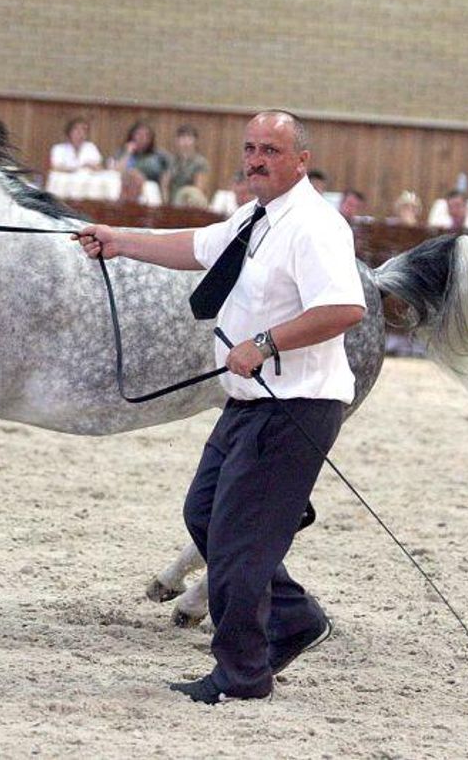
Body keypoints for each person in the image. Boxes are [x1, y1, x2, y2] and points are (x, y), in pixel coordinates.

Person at [73, 111, 366, 704]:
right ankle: (295, 619)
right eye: (251, 148)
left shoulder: (314, 225)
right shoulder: (255, 217)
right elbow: (199, 247)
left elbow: (344, 309)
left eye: (272, 150)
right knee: (205, 514)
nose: (256, 159)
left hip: (295, 406)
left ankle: (242, 674)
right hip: (248, 402)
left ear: (300, 161)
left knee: (237, 540)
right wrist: (120, 240)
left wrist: (264, 343)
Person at [164, 125, 211, 207]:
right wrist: (165, 202)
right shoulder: (171, 161)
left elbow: (198, 189)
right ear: (176, 141)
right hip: (172, 203)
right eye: (182, 138)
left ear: (196, 141)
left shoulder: (200, 162)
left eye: (189, 138)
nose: (185, 142)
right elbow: (165, 184)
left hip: (190, 203)